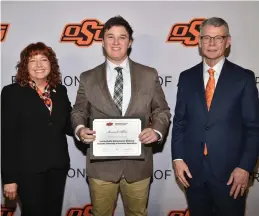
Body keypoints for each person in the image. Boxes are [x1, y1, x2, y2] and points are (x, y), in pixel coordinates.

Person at [71, 15, 171, 216]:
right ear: (102, 41)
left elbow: (162, 111)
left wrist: (157, 131)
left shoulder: (149, 74)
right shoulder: (87, 77)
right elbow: (79, 111)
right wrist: (80, 129)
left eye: (122, 37)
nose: (116, 42)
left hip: (138, 166)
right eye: (110, 37)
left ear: (130, 42)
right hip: (101, 167)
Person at [171, 17, 259, 216]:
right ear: (199, 41)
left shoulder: (243, 78)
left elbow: (253, 128)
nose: (211, 44)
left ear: (227, 42)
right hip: (193, 173)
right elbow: (180, 123)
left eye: (218, 38)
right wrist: (177, 158)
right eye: (207, 38)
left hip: (231, 175)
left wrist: (245, 167)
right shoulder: (186, 77)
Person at [1, 42, 72, 216]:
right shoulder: (12, 93)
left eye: (44, 59)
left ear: (51, 64)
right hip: (28, 171)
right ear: (25, 66)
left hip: (57, 167)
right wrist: (9, 179)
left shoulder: (60, 90)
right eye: (33, 60)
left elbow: (69, 124)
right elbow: (7, 138)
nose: (39, 65)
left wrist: (88, 126)